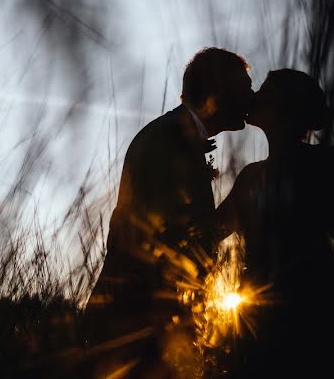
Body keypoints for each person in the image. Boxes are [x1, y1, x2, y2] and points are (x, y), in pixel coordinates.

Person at [83, 48, 253, 377]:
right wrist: (229, 216)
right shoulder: (169, 140)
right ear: (217, 91)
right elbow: (168, 244)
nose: (251, 96)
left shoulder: (174, 133)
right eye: (244, 87)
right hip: (137, 328)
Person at [216, 69, 334, 378]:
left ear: (285, 106)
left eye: (266, 90)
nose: (255, 96)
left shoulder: (323, 165)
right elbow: (208, 231)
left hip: (313, 322)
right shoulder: (251, 177)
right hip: (258, 325)